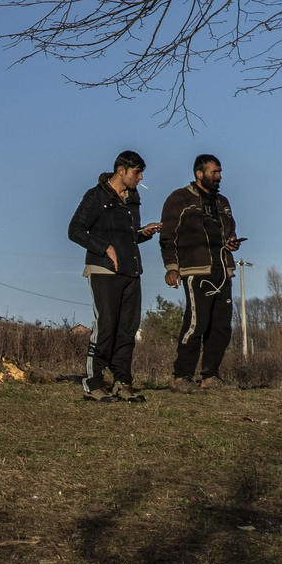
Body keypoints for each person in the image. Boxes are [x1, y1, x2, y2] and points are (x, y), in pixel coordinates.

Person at [67, 151, 161, 403]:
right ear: (121, 171)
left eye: (141, 173)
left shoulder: (133, 200)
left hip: (131, 270)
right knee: (106, 324)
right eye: (136, 172)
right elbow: (74, 231)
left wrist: (143, 233)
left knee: (128, 329)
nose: (140, 178)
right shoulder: (95, 196)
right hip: (102, 269)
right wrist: (104, 247)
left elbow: (128, 236)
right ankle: (93, 383)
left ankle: (122, 382)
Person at [159, 154, 243, 393]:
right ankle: (181, 376)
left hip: (223, 268)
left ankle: (210, 376)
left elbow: (230, 230)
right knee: (196, 323)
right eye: (214, 172)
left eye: (219, 172)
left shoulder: (223, 202)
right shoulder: (179, 198)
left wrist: (232, 243)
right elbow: (167, 236)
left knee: (221, 326)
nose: (219, 177)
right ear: (199, 173)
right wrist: (171, 267)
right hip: (196, 269)